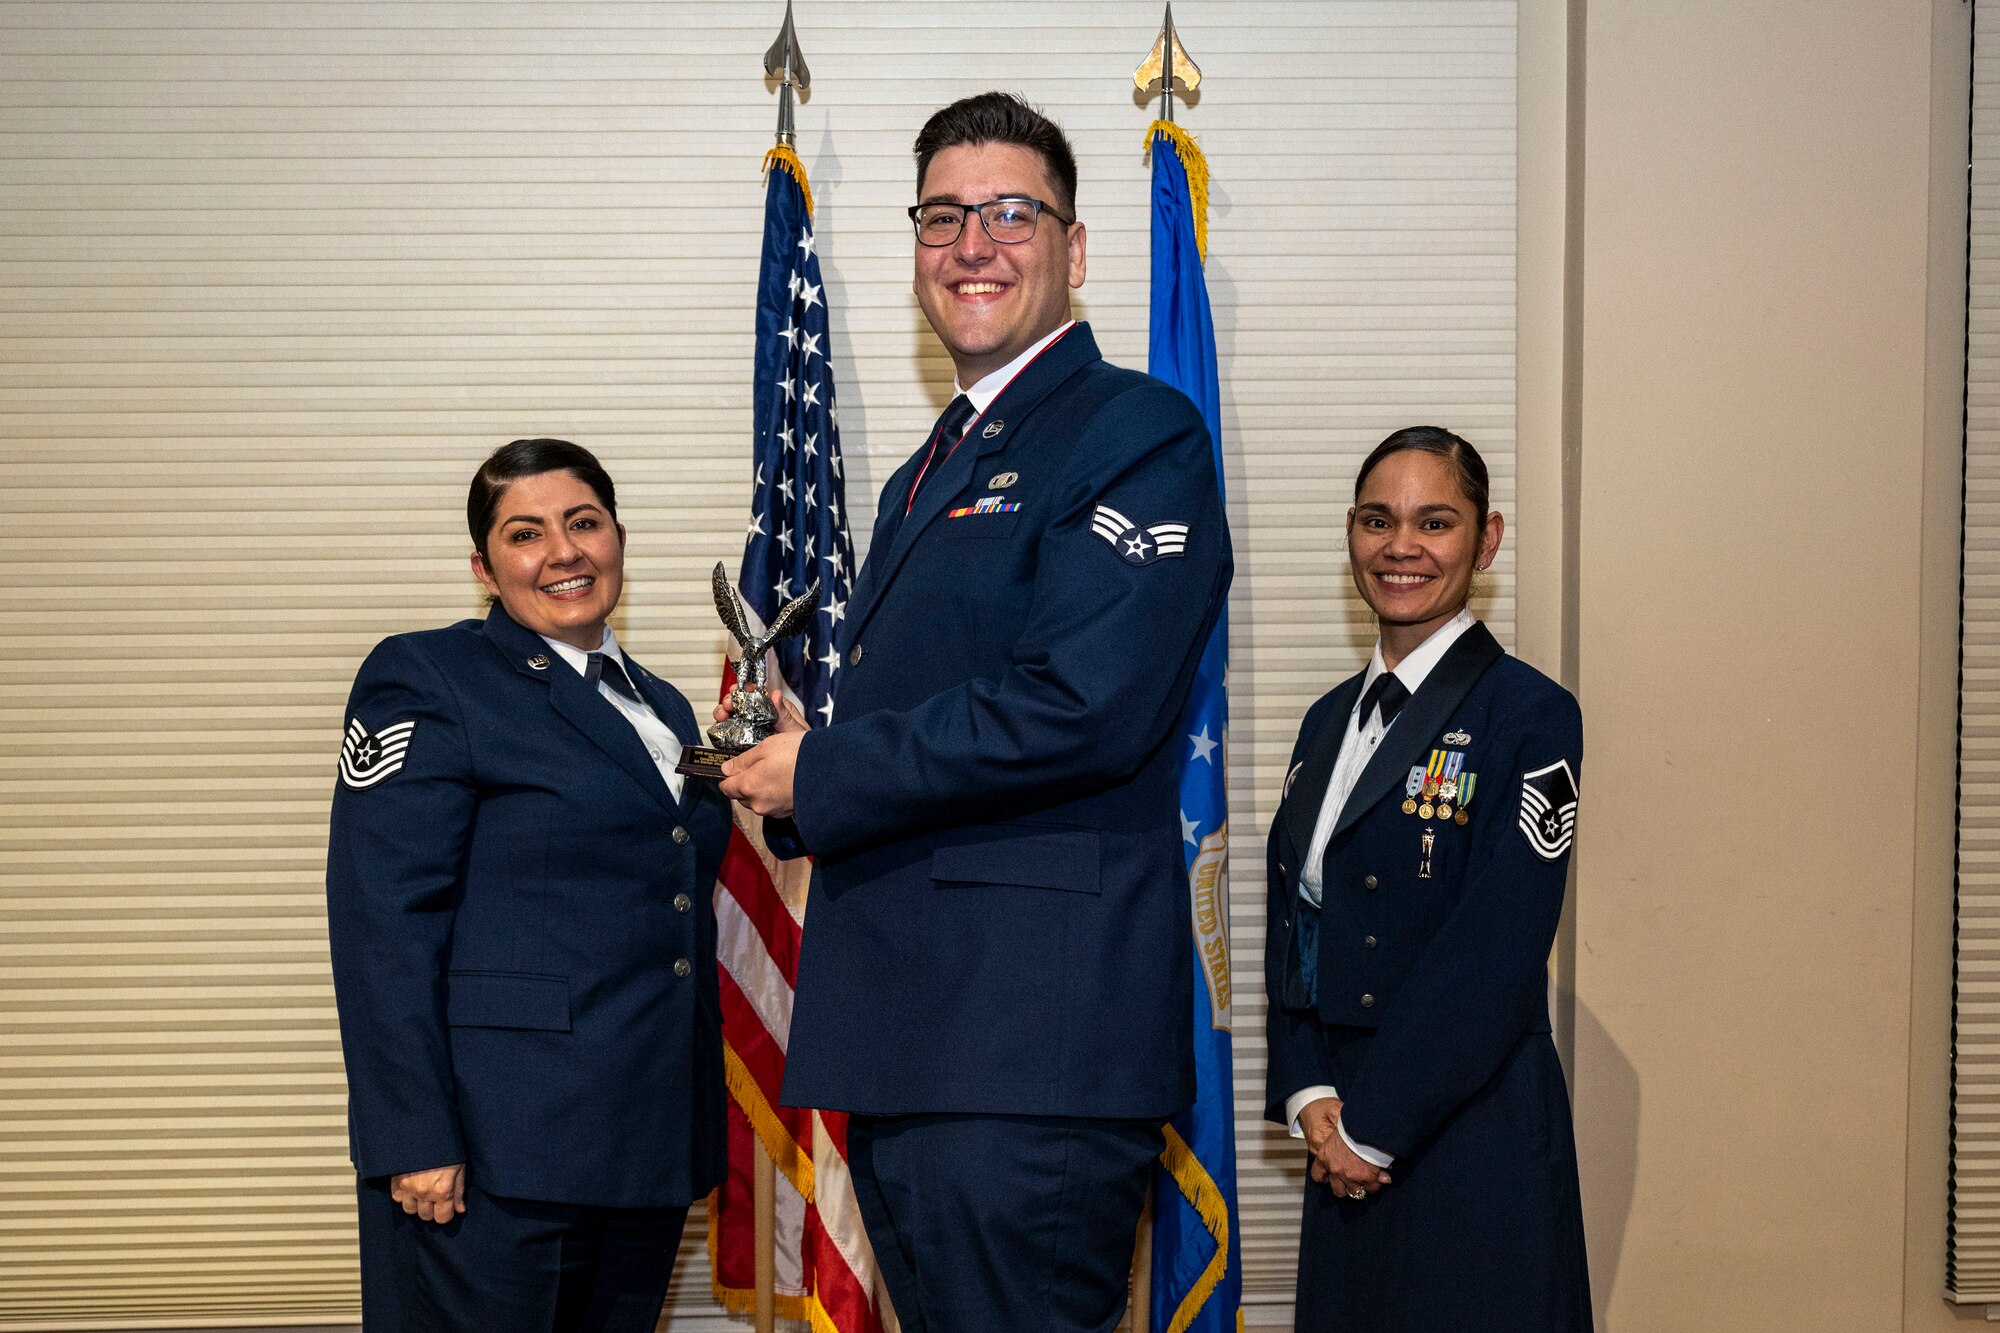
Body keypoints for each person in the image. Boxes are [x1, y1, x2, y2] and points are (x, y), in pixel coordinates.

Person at [718, 92, 1232, 1333]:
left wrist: (823, 772)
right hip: (919, 1045)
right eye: (942, 216)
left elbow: (1081, 707)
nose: (972, 245)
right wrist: (792, 751)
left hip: (1027, 1055)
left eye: (1011, 213)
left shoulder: (1133, 432)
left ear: (1073, 246)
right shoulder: (924, 470)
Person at [325, 438, 733, 1332]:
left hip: (644, 1143)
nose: (563, 551)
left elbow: (675, 878)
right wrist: (414, 1136)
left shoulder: (660, 705)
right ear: (484, 565)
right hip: (493, 1156)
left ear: (619, 536)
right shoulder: (431, 678)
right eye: (525, 533)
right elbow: (382, 923)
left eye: (583, 521)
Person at [1264, 426, 1591, 1330]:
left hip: (1466, 1122)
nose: (1401, 546)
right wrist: (1309, 1092)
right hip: (1343, 1130)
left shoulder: (1529, 714)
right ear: (1351, 533)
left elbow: (1499, 944)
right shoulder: (1327, 721)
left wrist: (1375, 1126)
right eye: (1379, 520)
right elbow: (1294, 920)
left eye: (1434, 521)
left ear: (1486, 541)